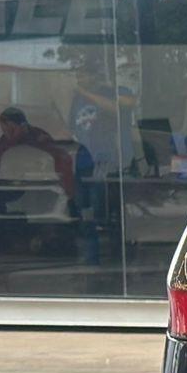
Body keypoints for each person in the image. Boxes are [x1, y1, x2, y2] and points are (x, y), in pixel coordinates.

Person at [69, 57, 137, 264]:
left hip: (105, 160)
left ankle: (115, 256)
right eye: (77, 76)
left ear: (94, 76)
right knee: (84, 210)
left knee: (102, 209)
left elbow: (116, 109)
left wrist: (86, 93)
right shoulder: (77, 99)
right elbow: (72, 127)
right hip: (83, 161)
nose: (80, 79)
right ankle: (91, 257)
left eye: (83, 75)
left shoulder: (107, 92)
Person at [0, 107, 77, 213]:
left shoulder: (39, 137)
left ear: (22, 125)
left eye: (11, 129)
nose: (7, 133)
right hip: (6, 184)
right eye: (4, 130)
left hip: (36, 185)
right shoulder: (4, 140)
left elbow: (59, 155)